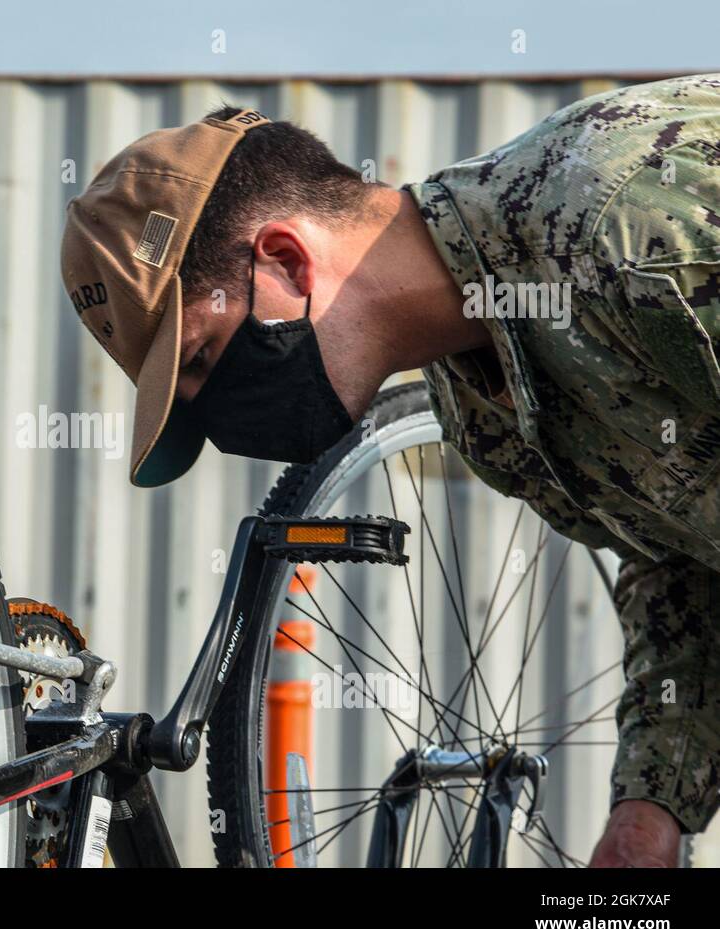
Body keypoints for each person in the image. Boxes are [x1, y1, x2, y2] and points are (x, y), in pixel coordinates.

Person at [60, 75, 720, 867]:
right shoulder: (489, 411)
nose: (222, 416)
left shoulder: (628, 225)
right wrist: (652, 810)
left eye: (203, 358)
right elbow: (682, 556)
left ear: (285, 261)